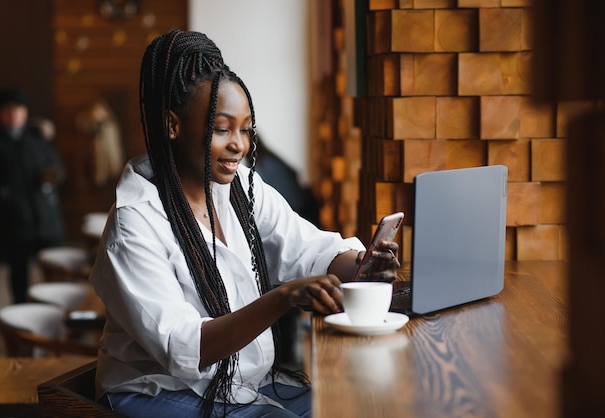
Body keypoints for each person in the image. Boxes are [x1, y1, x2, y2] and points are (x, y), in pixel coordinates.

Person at [89, 30, 400, 418]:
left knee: (349, 405)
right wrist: (282, 297)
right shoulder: (134, 223)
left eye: (245, 128)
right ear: (173, 124)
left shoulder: (240, 188)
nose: (240, 144)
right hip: (154, 389)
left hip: (235, 382)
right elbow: (188, 348)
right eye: (222, 128)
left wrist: (362, 264)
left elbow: (310, 249)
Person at [0, 88, 65, 303]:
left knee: (54, 269)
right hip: (14, 218)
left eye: (19, 109)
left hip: (45, 215)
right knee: (19, 270)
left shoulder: (36, 137)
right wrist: (3, 196)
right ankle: (21, 313)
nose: (14, 115)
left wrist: (52, 177)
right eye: (8, 110)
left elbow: (56, 166)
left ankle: (53, 311)